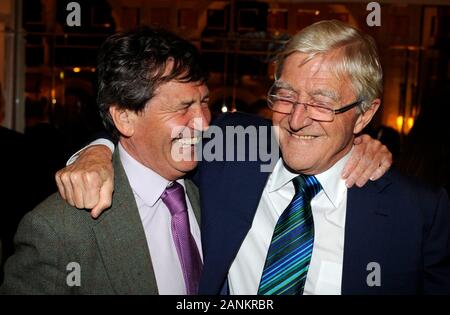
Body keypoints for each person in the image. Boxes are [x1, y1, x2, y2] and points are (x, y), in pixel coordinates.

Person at [51, 22, 413, 295]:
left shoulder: (416, 216)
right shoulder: (243, 149)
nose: (298, 119)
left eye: (320, 103)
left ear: (364, 115)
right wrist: (97, 150)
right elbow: (148, 131)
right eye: (286, 96)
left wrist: (356, 142)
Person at [0, 27, 210, 294]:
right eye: (183, 108)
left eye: (204, 102)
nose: (203, 123)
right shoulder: (57, 230)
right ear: (124, 118)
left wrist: (98, 147)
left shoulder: (214, 183)